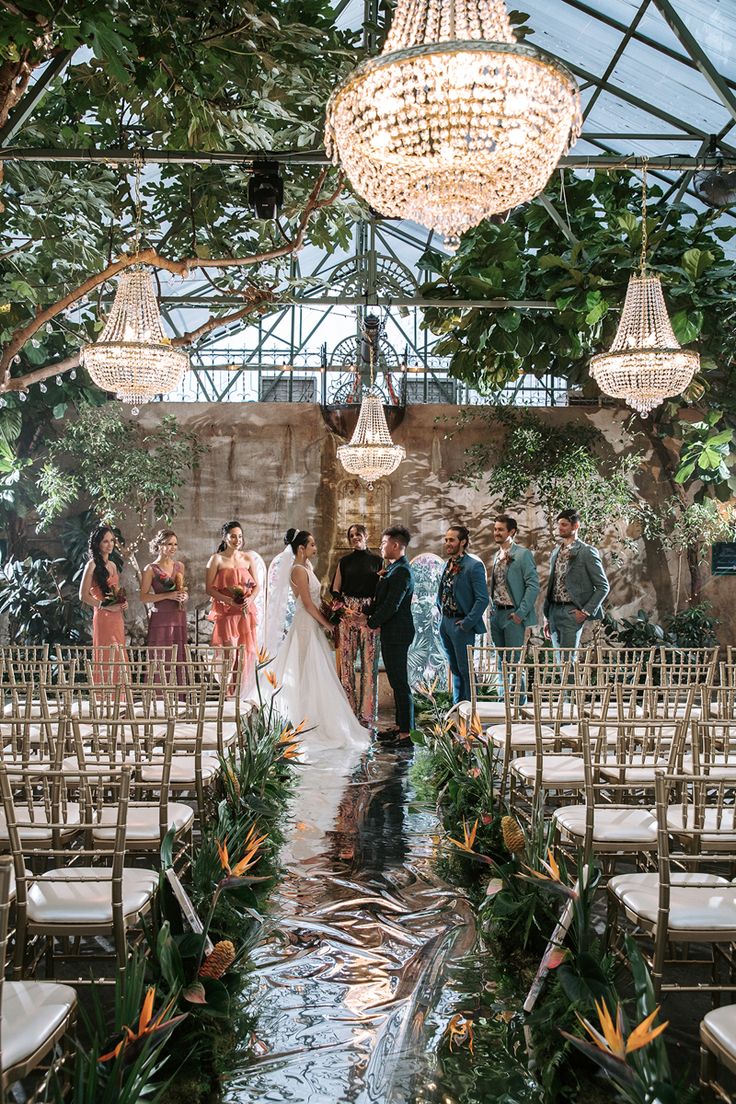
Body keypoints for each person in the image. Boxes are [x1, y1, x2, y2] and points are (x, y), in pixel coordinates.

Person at [266, 528, 370, 862]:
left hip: (313, 626)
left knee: (317, 676)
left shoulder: (307, 569)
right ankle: (305, 722)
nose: (315, 546)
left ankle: (313, 718)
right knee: (309, 674)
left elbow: (319, 599)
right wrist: (328, 624)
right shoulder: (297, 569)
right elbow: (308, 605)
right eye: (312, 543)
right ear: (300, 548)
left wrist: (332, 612)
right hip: (306, 628)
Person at [331, 523, 383, 727]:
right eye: (351, 535)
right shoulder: (344, 562)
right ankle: (348, 710)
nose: (355, 537)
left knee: (370, 665)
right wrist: (340, 606)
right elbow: (336, 588)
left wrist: (370, 612)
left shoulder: (378, 561)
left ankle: (367, 714)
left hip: (369, 614)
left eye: (358, 534)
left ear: (366, 535)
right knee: (346, 663)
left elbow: (382, 590)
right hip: (347, 612)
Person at [367, 526, 415, 743]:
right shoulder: (394, 568)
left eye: (384, 542)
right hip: (392, 631)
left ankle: (406, 733)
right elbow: (382, 601)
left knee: (400, 682)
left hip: (398, 633)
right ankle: (400, 725)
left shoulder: (402, 571)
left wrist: (371, 622)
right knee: (396, 682)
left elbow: (392, 606)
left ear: (396, 545)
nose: (381, 546)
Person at [543, 509, 610, 659]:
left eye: (564, 525)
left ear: (576, 526)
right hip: (553, 611)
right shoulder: (555, 552)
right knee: (559, 662)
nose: (560, 528)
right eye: (559, 524)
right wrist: (547, 617)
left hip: (571, 612)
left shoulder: (587, 552)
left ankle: (572, 684)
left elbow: (603, 586)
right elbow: (552, 585)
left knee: (568, 662)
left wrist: (585, 612)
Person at [205, 521, 260, 696]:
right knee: (230, 656)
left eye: (240, 536)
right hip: (227, 614)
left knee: (244, 656)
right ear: (225, 537)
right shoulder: (216, 559)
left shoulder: (247, 558)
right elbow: (209, 588)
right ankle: (225, 693)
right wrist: (229, 601)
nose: (237, 540)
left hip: (245, 613)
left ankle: (238, 694)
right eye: (233, 536)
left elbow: (256, 586)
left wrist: (250, 599)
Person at [436, 525, 489, 704]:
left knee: (466, 671)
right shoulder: (448, 564)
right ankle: (458, 710)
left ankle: (471, 713)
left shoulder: (474, 566)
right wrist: (442, 617)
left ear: (463, 542)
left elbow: (482, 599)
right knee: (455, 670)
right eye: (446, 540)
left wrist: (466, 623)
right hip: (446, 623)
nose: (447, 543)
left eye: (451, 540)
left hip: (461, 625)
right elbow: (442, 591)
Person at [79, 525, 128, 683]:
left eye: (112, 541)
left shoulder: (113, 565)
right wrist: (105, 606)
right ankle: (104, 694)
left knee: (119, 652)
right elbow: (82, 595)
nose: (110, 544)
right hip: (103, 617)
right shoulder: (91, 565)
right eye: (105, 541)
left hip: (117, 617)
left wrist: (122, 601)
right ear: (97, 543)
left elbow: (115, 591)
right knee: (106, 653)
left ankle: (121, 694)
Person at [140, 529, 188, 682]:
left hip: (178, 616)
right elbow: (143, 597)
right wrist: (168, 595)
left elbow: (180, 589)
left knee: (178, 656)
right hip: (160, 618)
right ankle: (158, 697)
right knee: (159, 656)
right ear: (159, 545)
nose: (173, 547)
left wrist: (184, 596)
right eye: (169, 544)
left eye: (175, 544)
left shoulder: (179, 566)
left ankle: (178, 698)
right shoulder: (150, 569)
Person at [489, 514, 540, 649]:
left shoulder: (523, 554)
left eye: (500, 530)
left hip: (513, 615)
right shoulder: (496, 555)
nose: (496, 533)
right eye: (495, 529)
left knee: (513, 662)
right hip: (496, 615)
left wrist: (520, 614)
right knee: (501, 661)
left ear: (511, 532)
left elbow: (533, 586)